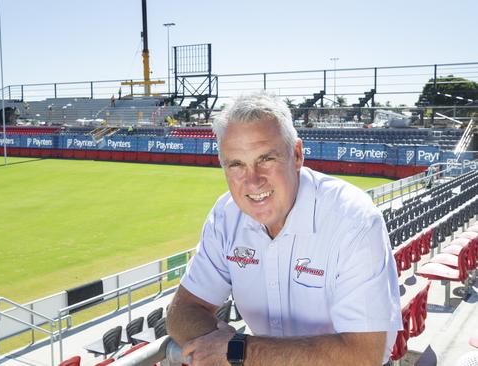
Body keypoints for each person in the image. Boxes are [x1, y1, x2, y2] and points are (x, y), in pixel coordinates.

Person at [166, 92, 401, 366]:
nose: (253, 181)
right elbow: (182, 311)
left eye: (266, 159)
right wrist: (215, 345)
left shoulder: (353, 219)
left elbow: (363, 354)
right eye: (237, 164)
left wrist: (240, 351)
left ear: (297, 155)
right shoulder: (226, 215)